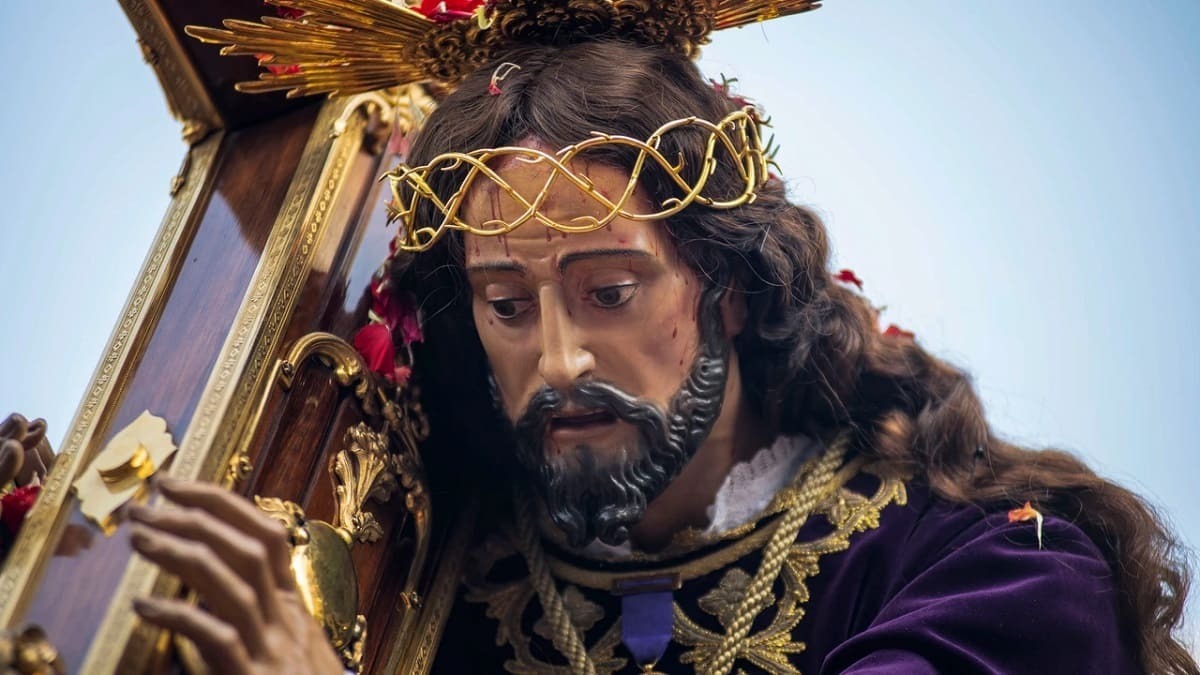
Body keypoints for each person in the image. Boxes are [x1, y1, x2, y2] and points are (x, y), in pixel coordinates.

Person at [140, 2, 1197, 673]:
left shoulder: (1003, 571)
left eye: (609, 291)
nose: (558, 361)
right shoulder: (438, 581)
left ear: (729, 284)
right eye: (509, 305)